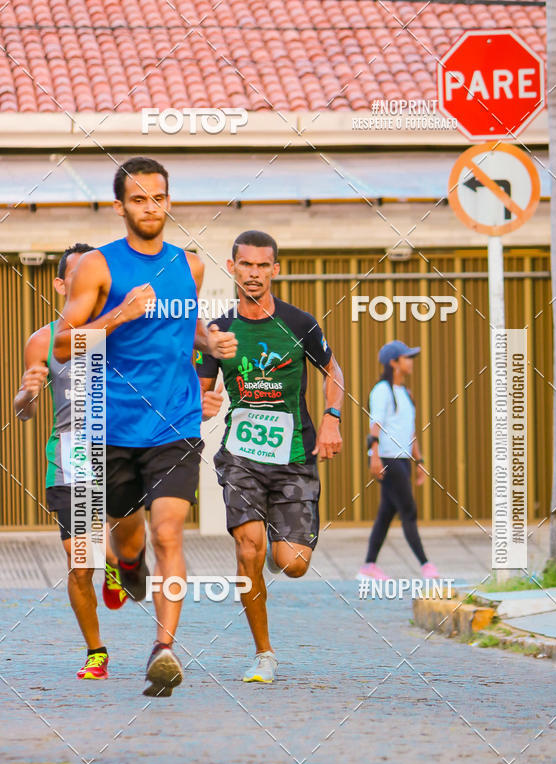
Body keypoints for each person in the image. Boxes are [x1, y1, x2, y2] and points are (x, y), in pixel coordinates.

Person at [53, 157, 237, 697]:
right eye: (138, 199)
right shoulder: (97, 267)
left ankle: (164, 649)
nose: (150, 208)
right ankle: (127, 563)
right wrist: (119, 315)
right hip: (109, 426)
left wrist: (209, 340)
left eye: (158, 198)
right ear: (120, 207)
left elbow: (185, 327)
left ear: (168, 202)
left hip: (174, 423)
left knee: (168, 532)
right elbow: (62, 345)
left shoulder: (191, 266)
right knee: (126, 530)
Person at [197, 229, 344, 684]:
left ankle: (274, 548)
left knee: (293, 563)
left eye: (263, 265)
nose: (254, 274)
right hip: (241, 457)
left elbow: (333, 371)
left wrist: (332, 417)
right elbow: (199, 391)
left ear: (275, 269)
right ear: (232, 267)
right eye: (246, 264)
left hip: (294, 454)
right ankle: (264, 654)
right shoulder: (218, 332)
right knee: (248, 549)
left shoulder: (300, 324)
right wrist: (202, 403)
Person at [14, 243, 128, 680]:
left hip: (122, 451)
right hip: (71, 457)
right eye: (78, 275)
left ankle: (119, 562)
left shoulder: (122, 331)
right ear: (62, 284)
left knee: (120, 544)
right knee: (81, 563)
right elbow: (24, 411)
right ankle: (96, 652)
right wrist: (27, 395)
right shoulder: (42, 341)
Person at [357, 340, 439, 581]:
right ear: (393, 363)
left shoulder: (405, 393)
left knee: (386, 512)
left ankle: (368, 566)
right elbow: (375, 425)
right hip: (387, 459)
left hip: (402, 459)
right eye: (407, 357)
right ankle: (426, 566)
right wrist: (374, 457)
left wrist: (419, 461)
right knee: (408, 510)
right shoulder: (382, 390)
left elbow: (410, 431)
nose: (410, 362)